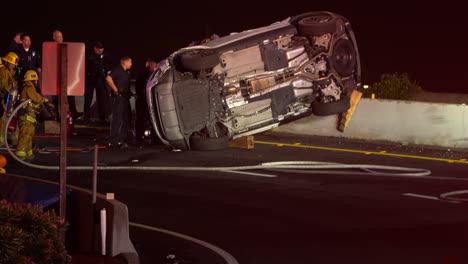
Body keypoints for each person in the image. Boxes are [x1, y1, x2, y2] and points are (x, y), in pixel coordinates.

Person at [15, 70, 52, 160]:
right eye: (36, 80)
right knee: (25, 135)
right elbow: (36, 97)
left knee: (29, 136)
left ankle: (28, 153)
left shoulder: (29, 87)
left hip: (30, 116)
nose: (36, 82)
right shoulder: (28, 87)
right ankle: (20, 154)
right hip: (26, 116)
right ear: (33, 80)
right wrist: (44, 100)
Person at [50, 30, 79, 119]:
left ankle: (73, 113)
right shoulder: (50, 48)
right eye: (58, 37)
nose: (60, 39)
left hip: (66, 76)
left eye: (61, 37)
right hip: (54, 77)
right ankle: (56, 115)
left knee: (70, 94)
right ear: (53, 37)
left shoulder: (66, 47)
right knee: (55, 97)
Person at [105, 56, 133, 149]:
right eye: (130, 62)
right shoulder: (118, 69)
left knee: (125, 119)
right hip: (119, 98)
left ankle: (121, 140)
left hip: (125, 98)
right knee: (117, 119)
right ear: (124, 62)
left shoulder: (126, 72)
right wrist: (116, 90)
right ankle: (113, 141)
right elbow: (108, 78)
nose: (131, 64)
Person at [83, 41, 112, 123]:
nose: (100, 51)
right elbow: (87, 68)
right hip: (90, 79)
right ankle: (86, 117)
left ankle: (102, 117)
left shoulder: (105, 57)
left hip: (100, 80)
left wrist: (107, 74)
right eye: (99, 49)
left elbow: (109, 66)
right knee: (88, 98)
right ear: (95, 48)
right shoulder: (90, 57)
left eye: (101, 49)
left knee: (101, 98)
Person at [134, 57, 158, 147]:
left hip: (141, 100)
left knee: (140, 121)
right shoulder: (152, 75)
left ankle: (138, 138)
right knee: (151, 120)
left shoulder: (141, 75)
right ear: (152, 66)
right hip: (147, 101)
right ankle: (153, 139)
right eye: (155, 66)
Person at [0, 52, 19, 146]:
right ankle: (1, 140)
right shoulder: (3, 71)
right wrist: (9, 91)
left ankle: (15, 140)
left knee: (14, 117)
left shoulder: (12, 73)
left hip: (9, 98)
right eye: (12, 64)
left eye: (14, 64)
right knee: (2, 118)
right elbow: (3, 85)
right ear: (7, 62)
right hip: (3, 97)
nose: (14, 66)